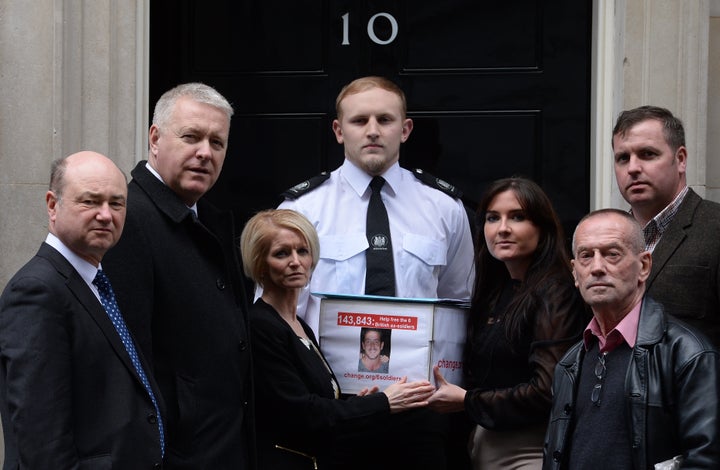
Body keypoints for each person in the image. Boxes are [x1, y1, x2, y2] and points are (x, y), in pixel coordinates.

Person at [277, 75, 475, 468]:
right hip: (337, 408)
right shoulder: (301, 210)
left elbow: (459, 303)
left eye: (385, 120)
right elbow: (280, 314)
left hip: (421, 407)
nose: (372, 131)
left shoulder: (444, 208)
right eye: (359, 120)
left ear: (405, 130)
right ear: (338, 130)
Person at [102, 83, 254, 468]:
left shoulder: (210, 219)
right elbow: (129, 363)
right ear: (155, 139)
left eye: (217, 143)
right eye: (191, 137)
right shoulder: (130, 220)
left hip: (224, 446)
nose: (205, 152)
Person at [0, 151, 165, 467]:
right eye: (90, 202)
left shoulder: (96, 281)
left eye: (116, 203)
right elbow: (42, 440)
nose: (106, 215)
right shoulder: (37, 291)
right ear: (52, 205)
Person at [241, 209, 434, 469]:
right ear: (259, 264)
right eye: (281, 253)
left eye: (303, 251)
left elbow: (321, 402)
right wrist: (384, 402)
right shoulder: (260, 325)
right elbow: (303, 414)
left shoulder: (300, 326)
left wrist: (360, 403)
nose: (296, 261)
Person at [428, 177, 587, 469]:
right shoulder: (495, 290)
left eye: (517, 217)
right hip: (481, 443)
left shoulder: (556, 291)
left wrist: (468, 400)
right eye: (492, 218)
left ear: (542, 227)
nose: (503, 228)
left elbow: (547, 390)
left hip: (529, 449)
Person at [543, 209, 720, 469]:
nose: (597, 268)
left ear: (644, 266)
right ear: (574, 273)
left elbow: (707, 460)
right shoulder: (569, 364)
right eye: (586, 256)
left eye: (612, 254)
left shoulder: (688, 354)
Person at [612, 105, 720, 346]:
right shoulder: (607, 240)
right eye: (623, 158)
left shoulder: (715, 228)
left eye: (648, 154)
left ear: (680, 159)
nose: (633, 168)